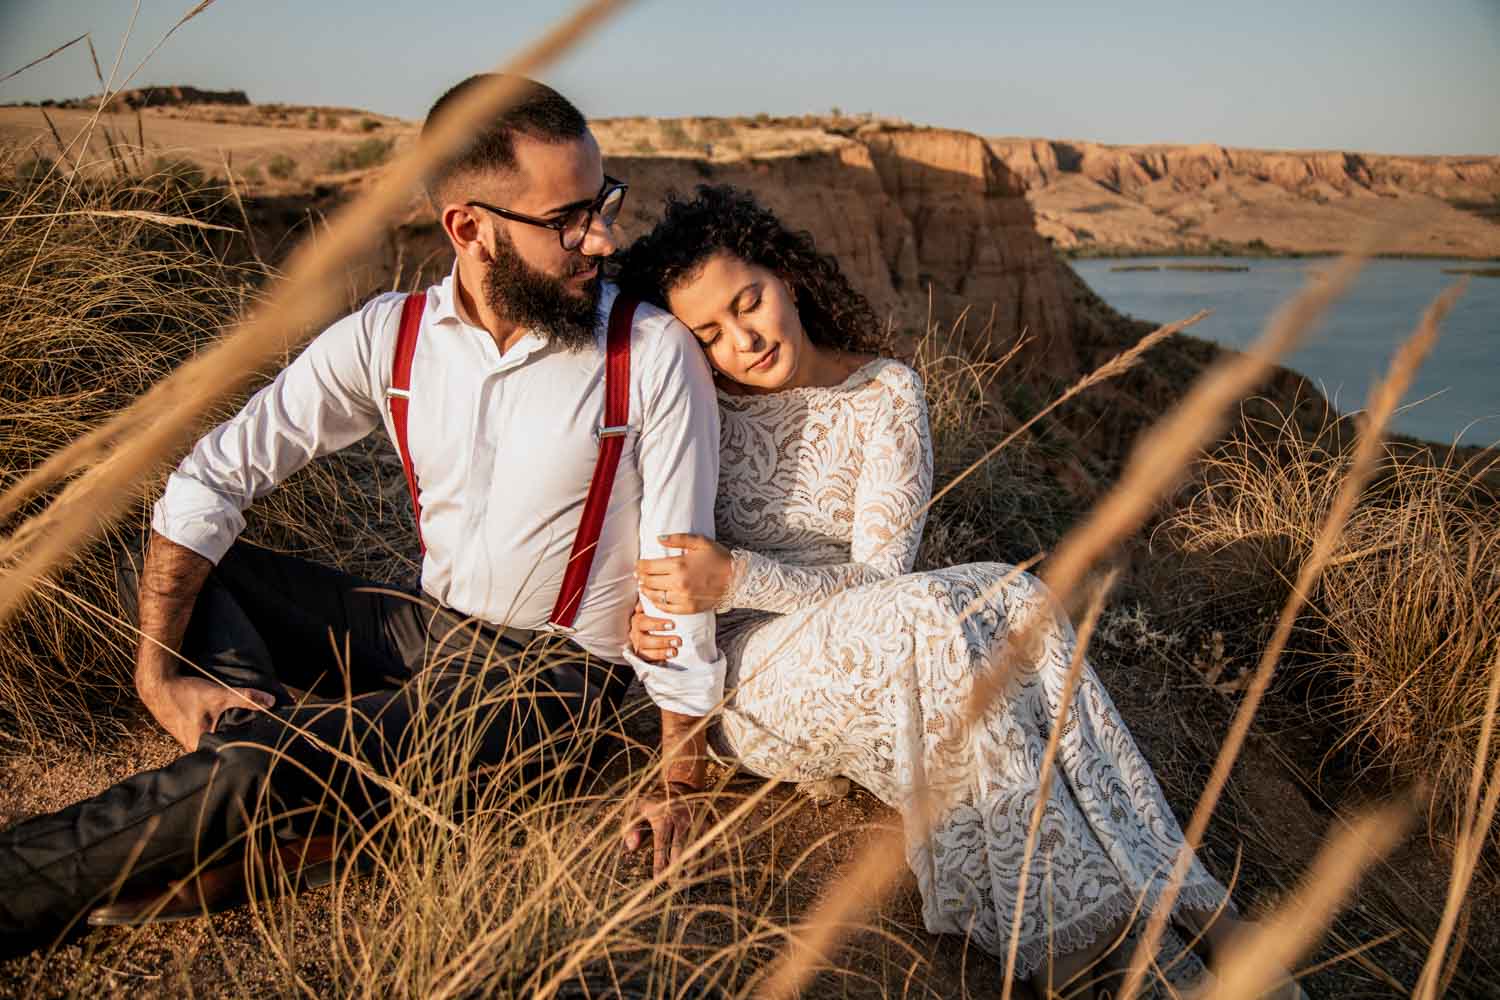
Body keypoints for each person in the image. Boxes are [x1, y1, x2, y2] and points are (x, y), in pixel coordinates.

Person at [0, 75, 724, 954]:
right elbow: (210, 480)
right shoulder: (392, 334)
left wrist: (679, 780)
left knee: (261, 766)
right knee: (179, 560)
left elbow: (678, 573)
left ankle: (68, 864)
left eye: (602, 203)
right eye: (567, 219)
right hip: (424, 633)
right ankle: (276, 767)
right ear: (470, 229)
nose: (602, 238)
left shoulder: (649, 354)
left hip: (555, 681)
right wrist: (159, 678)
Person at [613, 186, 1305, 999]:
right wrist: (646, 614)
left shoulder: (887, 396)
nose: (744, 339)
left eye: (749, 301)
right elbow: (642, 551)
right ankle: (1112, 953)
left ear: (788, 278)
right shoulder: (699, 407)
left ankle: (1190, 908)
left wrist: (739, 574)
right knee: (943, 613)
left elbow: (879, 580)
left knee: (1009, 596)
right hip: (747, 677)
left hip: (880, 640)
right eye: (710, 334)